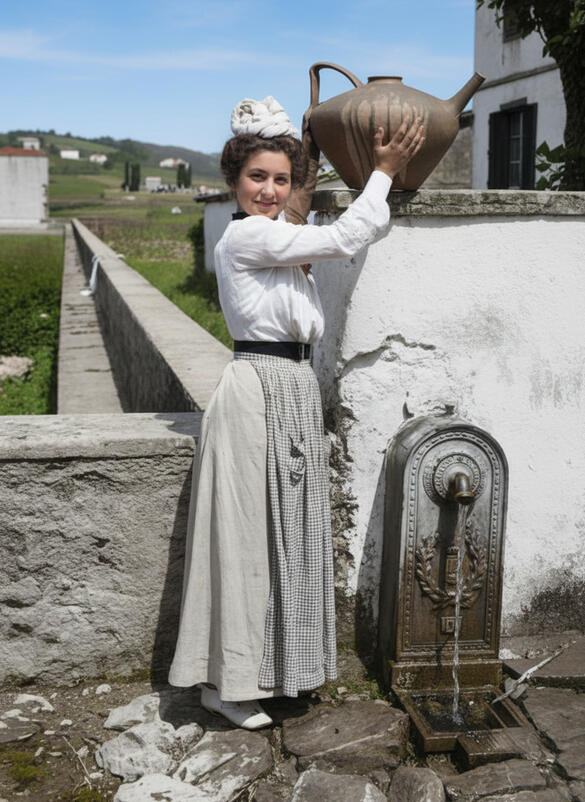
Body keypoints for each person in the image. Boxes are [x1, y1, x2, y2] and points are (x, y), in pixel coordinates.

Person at [169, 96, 425, 729]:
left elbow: (309, 224)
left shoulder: (274, 234)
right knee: (248, 536)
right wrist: (384, 170)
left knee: (283, 535)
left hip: (288, 385)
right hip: (260, 386)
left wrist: (306, 154)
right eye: (257, 177)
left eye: (280, 179)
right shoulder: (249, 232)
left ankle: (266, 672)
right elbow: (341, 236)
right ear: (232, 180)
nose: (269, 189)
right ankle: (225, 685)